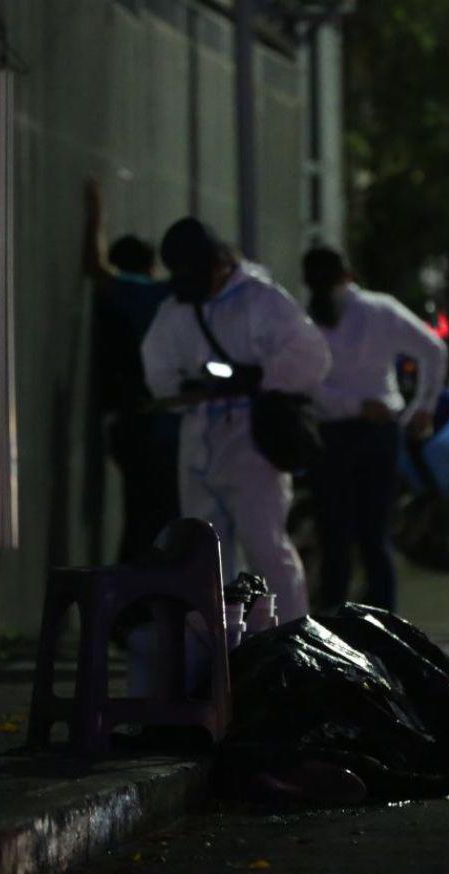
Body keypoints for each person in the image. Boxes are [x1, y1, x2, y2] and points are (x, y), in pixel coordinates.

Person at [141, 217, 331, 622]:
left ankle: (292, 639)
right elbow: (158, 370)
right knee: (201, 555)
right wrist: (189, 385)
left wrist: (262, 375)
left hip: (252, 440)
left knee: (265, 547)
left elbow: (312, 357)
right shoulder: (176, 309)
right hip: (199, 440)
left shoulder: (261, 301)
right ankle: (214, 653)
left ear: (217, 265)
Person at [302, 246, 448, 612]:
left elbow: (305, 384)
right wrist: (423, 408)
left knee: (334, 539)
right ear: (348, 274)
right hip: (379, 432)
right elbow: (434, 350)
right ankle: (383, 625)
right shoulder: (380, 309)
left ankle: (330, 630)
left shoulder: (305, 320)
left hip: (329, 436)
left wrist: (351, 405)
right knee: (375, 537)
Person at [82, 180, 179, 563]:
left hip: (132, 423)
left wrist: (96, 217)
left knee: (141, 517)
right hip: (157, 428)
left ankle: (131, 600)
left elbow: (97, 268)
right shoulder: (156, 297)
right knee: (156, 520)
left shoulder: (134, 298)